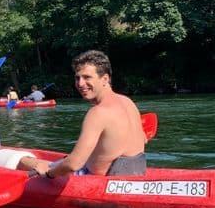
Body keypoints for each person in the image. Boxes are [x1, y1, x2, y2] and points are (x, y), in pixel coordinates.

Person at [16, 50, 146, 177]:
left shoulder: (98, 113)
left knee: (23, 162)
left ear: (105, 78)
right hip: (135, 172)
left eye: (87, 77)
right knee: (60, 160)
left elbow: (73, 165)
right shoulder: (128, 102)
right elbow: (143, 139)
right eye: (77, 78)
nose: (80, 83)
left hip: (94, 179)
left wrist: (49, 173)